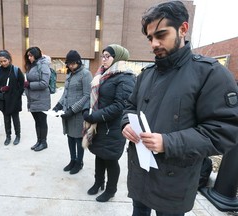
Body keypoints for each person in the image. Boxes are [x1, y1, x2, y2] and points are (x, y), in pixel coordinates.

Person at [121, 1, 238, 215]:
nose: (154, 44)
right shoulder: (146, 74)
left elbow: (223, 131)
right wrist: (127, 123)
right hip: (140, 174)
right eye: (150, 38)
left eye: (161, 35)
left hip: (174, 182)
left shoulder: (210, 74)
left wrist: (167, 142)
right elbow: (129, 106)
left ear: (183, 29)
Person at [83, 44, 135, 202]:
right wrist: (89, 111)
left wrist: (94, 117)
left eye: (107, 56)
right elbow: (95, 96)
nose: (103, 59)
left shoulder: (125, 77)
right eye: (103, 56)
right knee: (99, 155)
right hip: (100, 125)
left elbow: (120, 106)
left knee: (110, 159)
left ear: (117, 57)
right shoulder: (105, 74)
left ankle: (111, 190)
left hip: (112, 127)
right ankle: (99, 183)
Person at [52, 50, 92, 174]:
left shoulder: (85, 74)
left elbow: (87, 95)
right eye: (69, 64)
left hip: (78, 113)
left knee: (78, 139)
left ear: (79, 62)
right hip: (67, 113)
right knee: (70, 137)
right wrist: (59, 105)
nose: (71, 66)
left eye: (73, 63)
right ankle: (72, 160)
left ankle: (79, 162)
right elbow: (65, 93)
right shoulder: (70, 74)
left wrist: (73, 110)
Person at [0, 50, 24, 145]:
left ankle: (17, 136)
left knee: (15, 118)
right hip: (3, 99)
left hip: (15, 99)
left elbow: (22, 84)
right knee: (6, 119)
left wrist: (18, 95)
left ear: (9, 60)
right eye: (1, 61)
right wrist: (1, 88)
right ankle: (8, 136)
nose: (3, 63)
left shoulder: (16, 69)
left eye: (5, 61)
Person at [24, 47, 51, 152]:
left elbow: (45, 83)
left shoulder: (43, 65)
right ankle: (39, 141)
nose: (29, 58)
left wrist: (29, 85)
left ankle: (44, 142)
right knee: (37, 121)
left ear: (36, 55)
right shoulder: (33, 65)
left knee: (42, 121)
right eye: (28, 56)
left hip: (41, 98)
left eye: (31, 55)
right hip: (33, 98)